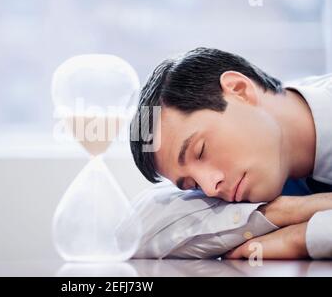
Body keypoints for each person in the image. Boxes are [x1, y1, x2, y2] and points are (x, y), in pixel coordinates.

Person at [130, 47, 332, 259]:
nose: (209, 189)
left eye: (200, 151)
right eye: (193, 186)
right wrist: (285, 211)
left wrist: (304, 237)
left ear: (239, 90)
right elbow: (138, 232)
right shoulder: (266, 169)